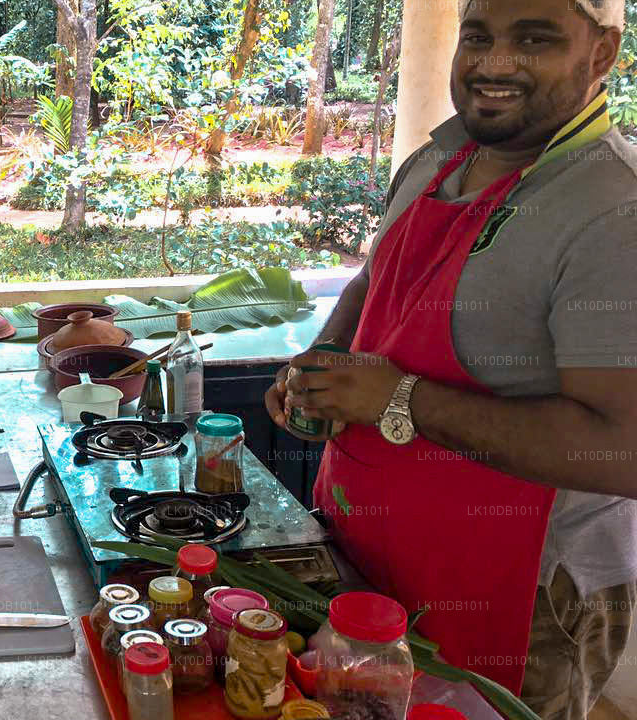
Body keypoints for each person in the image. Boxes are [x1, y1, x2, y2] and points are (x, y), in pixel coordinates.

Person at [264, 1, 634, 717]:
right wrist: (325, 359)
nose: (495, 63)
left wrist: (398, 398)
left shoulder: (616, 208)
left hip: (523, 595)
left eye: (534, 39)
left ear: (602, 53)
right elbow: (374, 279)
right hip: (365, 544)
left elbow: (622, 449)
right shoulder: (437, 157)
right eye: (478, 36)